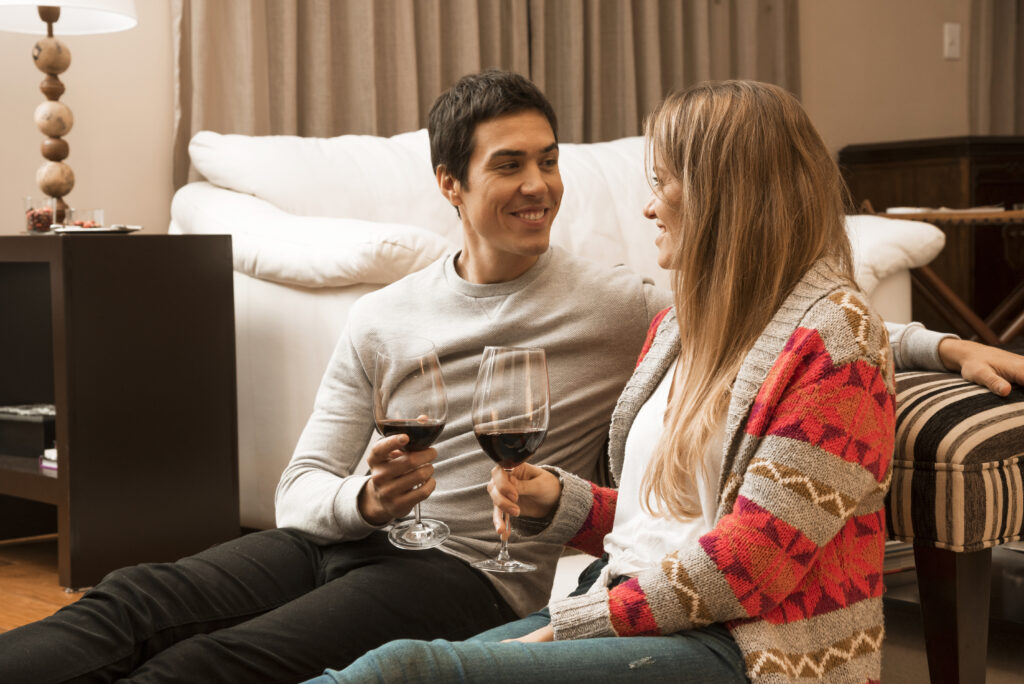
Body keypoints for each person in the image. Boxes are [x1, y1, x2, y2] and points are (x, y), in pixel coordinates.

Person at [0, 71, 1019, 684]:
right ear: (449, 185)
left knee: (209, 664)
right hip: (353, 538)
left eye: (550, 160)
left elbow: (793, 332)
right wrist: (364, 500)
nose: (541, 186)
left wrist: (936, 345)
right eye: (508, 166)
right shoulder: (385, 315)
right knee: (130, 602)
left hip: (470, 572)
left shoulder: (622, 303)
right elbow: (298, 487)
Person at [305, 80, 984, 684]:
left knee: (405, 670)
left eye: (662, 184)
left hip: (749, 647)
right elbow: (662, 527)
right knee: (400, 665)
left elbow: (751, 564)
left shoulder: (837, 339)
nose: (648, 208)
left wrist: (570, 626)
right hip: (630, 601)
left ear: (725, 194)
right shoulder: (680, 328)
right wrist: (563, 502)